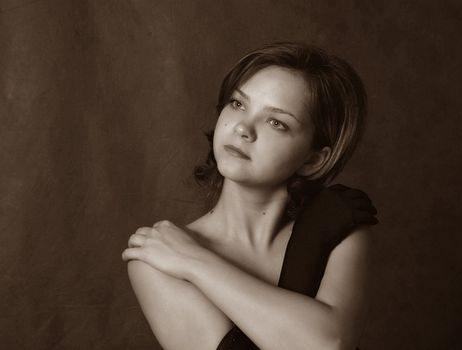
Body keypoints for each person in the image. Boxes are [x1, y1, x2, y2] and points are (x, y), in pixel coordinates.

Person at [122, 42, 379, 350]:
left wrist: (196, 262)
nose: (243, 128)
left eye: (277, 122)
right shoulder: (155, 260)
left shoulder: (337, 220)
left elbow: (328, 345)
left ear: (314, 160)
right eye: (238, 104)